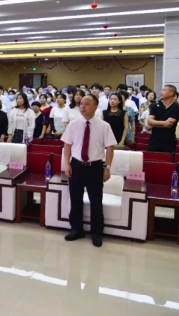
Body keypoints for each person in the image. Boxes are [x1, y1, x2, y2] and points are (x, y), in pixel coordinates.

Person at [62, 94, 117, 248]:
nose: (82, 106)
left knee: (96, 201)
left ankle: (96, 232)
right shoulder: (73, 124)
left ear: (95, 106)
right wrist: (67, 164)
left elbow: (110, 147)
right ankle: (76, 229)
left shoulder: (104, 126)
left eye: (86, 104)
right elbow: (67, 145)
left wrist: (107, 167)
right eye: (81, 104)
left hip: (95, 167)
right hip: (76, 166)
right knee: (75, 199)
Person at [148, 85, 179, 153]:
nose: (160, 92)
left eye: (164, 90)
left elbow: (168, 124)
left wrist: (154, 123)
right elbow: (149, 121)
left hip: (168, 142)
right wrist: (163, 123)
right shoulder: (156, 106)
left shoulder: (177, 108)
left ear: (171, 93)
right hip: (154, 141)